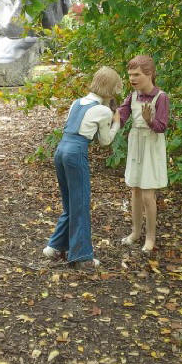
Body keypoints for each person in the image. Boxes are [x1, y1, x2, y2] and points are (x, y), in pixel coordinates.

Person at [43, 66, 123, 268]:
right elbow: (104, 141)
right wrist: (116, 124)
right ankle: (81, 257)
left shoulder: (76, 102)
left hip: (60, 150)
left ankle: (55, 247)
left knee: (70, 202)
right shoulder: (103, 110)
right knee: (80, 204)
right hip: (75, 153)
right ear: (110, 88)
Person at [117, 55, 169, 253]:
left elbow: (162, 127)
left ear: (149, 74)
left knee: (148, 194)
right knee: (135, 191)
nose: (132, 78)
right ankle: (135, 232)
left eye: (136, 74)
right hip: (136, 143)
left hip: (151, 145)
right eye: (130, 75)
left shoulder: (160, 97)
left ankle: (150, 237)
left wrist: (149, 121)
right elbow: (121, 117)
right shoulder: (133, 95)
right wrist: (110, 113)